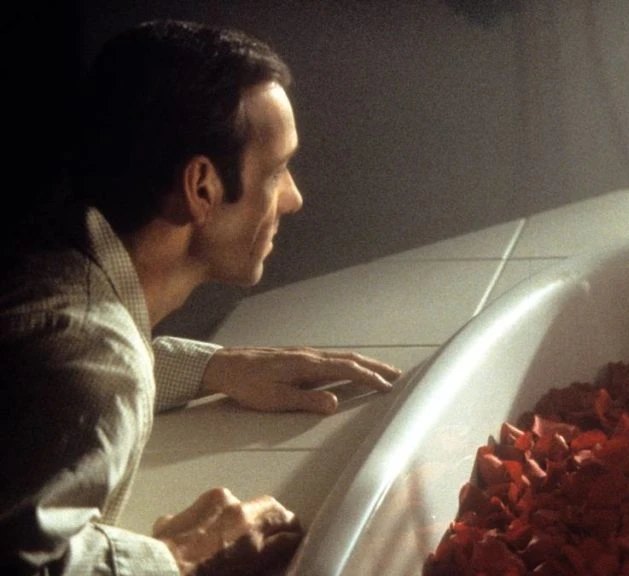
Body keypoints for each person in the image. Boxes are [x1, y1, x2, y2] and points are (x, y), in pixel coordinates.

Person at [0, 19, 402, 575]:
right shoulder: (97, 361)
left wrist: (217, 369)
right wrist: (177, 559)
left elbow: (43, 371)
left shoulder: (50, 254)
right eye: (278, 170)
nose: (293, 199)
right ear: (202, 187)